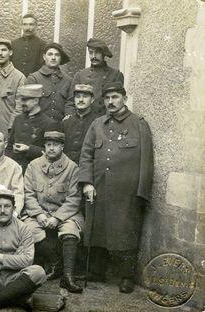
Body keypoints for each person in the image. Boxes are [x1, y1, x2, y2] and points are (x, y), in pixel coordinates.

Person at [78, 82, 154, 293]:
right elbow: (86, 156)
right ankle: (96, 271)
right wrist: (87, 183)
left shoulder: (139, 124)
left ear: (124, 98)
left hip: (126, 194)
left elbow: (147, 162)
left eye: (115, 97)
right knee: (97, 230)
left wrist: (141, 192)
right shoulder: (97, 125)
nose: (110, 102)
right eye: (107, 98)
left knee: (125, 233)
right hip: (99, 189)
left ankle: (127, 276)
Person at [23, 131, 84, 293]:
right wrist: (38, 213)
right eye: (48, 145)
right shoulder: (33, 166)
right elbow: (28, 194)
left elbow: (74, 199)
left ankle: (68, 276)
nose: (51, 148)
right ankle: (55, 263)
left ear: (62, 147)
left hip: (65, 213)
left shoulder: (72, 168)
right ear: (44, 146)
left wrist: (57, 218)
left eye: (55, 145)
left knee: (71, 230)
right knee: (28, 230)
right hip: (39, 213)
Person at [66, 38, 124, 117]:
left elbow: (117, 102)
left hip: (106, 121)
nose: (93, 56)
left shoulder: (115, 75)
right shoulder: (80, 75)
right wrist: (71, 119)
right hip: (84, 120)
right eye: (90, 53)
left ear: (103, 54)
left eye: (97, 53)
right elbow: (70, 102)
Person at [6, 84, 58, 170]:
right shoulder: (18, 119)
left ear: (35, 100)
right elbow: (9, 147)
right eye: (21, 100)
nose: (22, 103)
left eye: (25, 100)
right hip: (14, 170)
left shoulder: (49, 124)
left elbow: (52, 153)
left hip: (36, 171)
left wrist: (29, 149)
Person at [26, 42, 71, 122]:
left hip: (60, 128)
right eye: (50, 54)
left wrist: (68, 116)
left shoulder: (68, 81)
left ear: (60, 58)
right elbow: (28, 107)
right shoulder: (34, 79)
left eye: (57, 55)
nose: (53, 58)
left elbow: (70, 104)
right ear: (44, 57)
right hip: (39, 127)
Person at [62, 84, 102, 164]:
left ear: (92, 99)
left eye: (85, 96)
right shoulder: (66, 122)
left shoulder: (98, 122)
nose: (81, 100)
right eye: (77, 97)